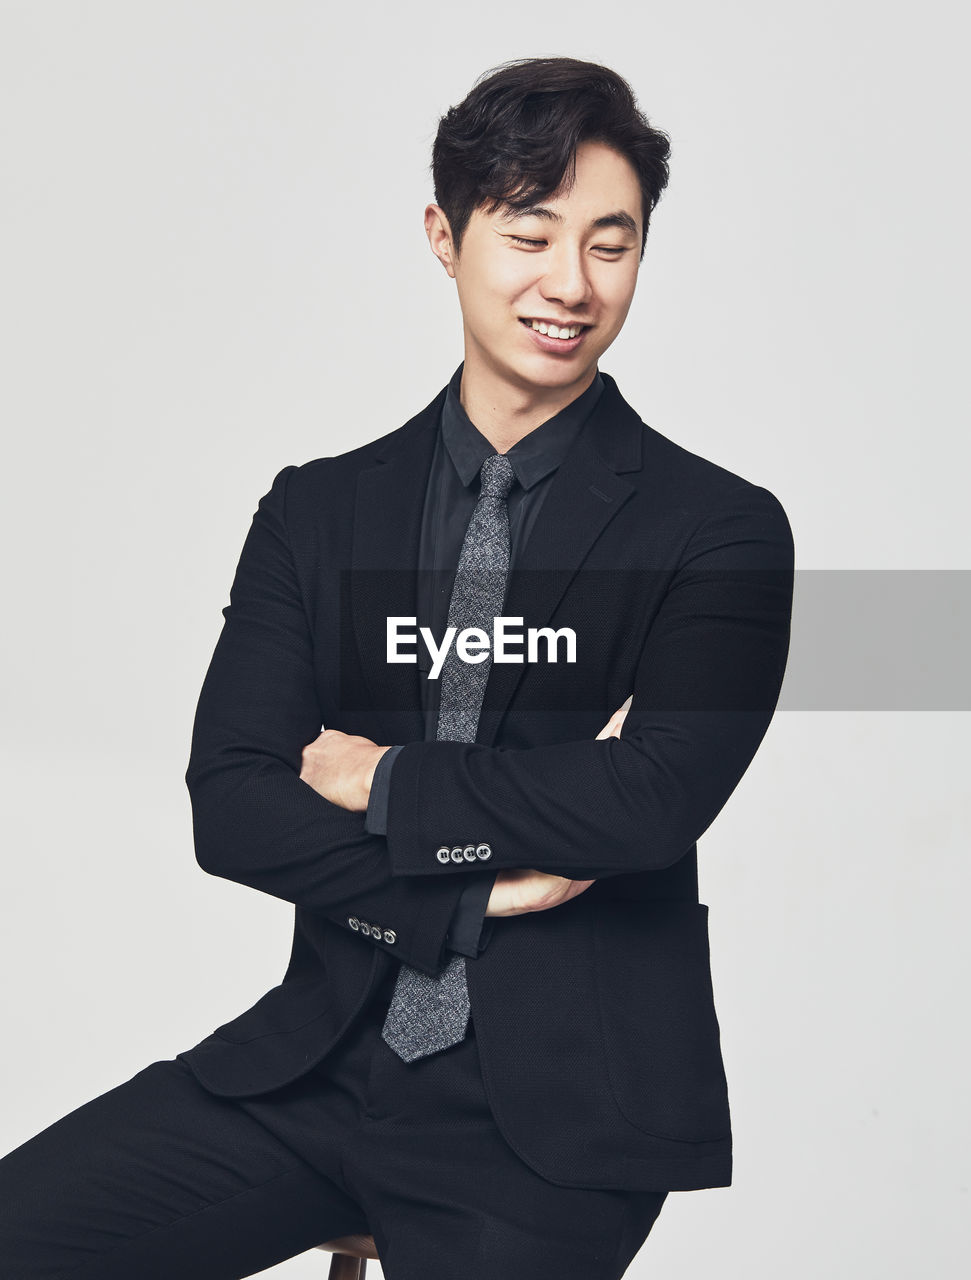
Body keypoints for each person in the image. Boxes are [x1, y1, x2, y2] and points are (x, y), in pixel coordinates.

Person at [0, 55, 794, 1280]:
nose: (568, 285)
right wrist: (470, 891)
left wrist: (380, 780)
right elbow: (235, 801)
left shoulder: (720, 530)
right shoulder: (315, 513)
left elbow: (647, 799)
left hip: (553, 1126)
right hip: (314, 1068)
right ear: (446, 233)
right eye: (528, 234)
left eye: (610, 243)